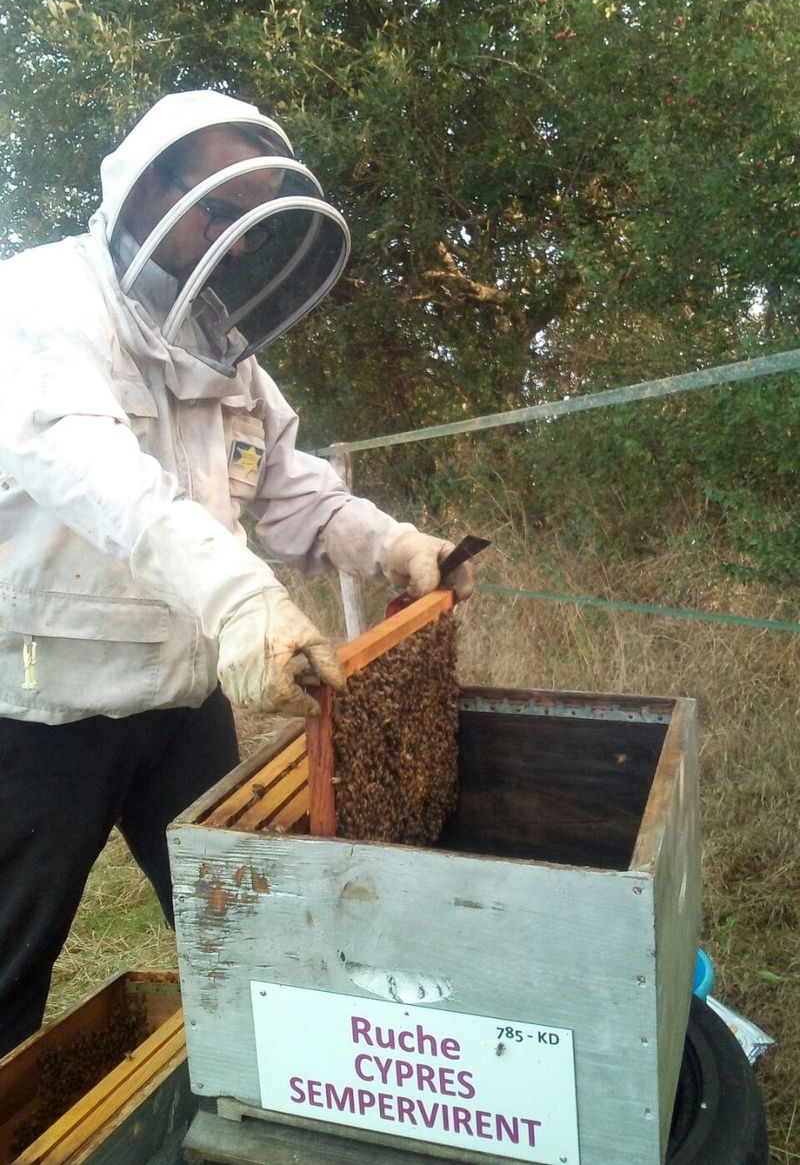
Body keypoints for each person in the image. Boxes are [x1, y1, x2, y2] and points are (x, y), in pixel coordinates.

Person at [0, 89, 474, 1057]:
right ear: (146, 188)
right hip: (41, 704)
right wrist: (244, 601)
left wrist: (391, 545)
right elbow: (110, 486)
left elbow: (286, 480)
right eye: (216, 201)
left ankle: (265, 1095)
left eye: (246, 211)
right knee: (11, 953)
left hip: (180, 696)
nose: (231, 234)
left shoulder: (216, 340)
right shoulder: (38, 304)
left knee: (250, 928)